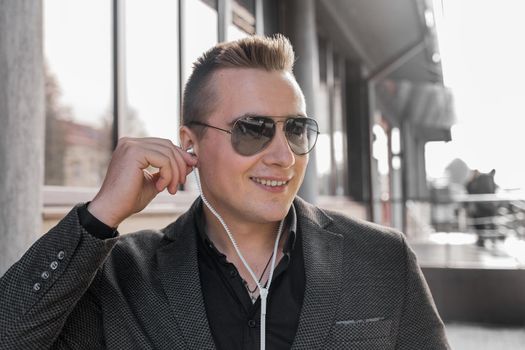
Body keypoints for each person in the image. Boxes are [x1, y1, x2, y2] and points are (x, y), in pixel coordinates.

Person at [0, 35, 450, 349]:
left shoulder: (381, 258)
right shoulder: (120, 276)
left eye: (295, 130)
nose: (283, 156)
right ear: (190, 143)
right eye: (252, 130)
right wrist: (99, 217)